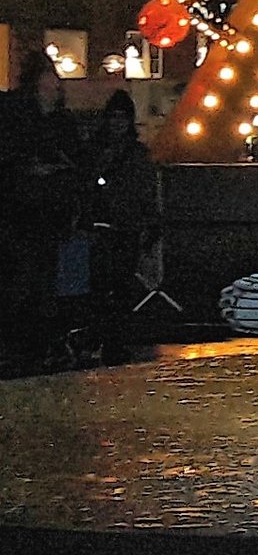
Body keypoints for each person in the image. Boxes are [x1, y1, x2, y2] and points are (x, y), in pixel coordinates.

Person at [0, 52, 83, 367]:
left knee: (41, 279)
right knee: (21, 278)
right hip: (21, 211)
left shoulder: (60, 122)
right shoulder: (19, 117)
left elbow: (76, 161)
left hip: (47, 211)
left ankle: (35, 343)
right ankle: (22, 342)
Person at [80, 89, 156, 362]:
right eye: (114, 117)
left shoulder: (113, 152)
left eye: (121, 118)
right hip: (112, 226)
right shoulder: (129, 153)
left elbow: (144, 191)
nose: (117, 123)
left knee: (115, 287)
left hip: (120, 226)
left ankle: (108, 339)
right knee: (106, 287)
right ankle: (109, 339)